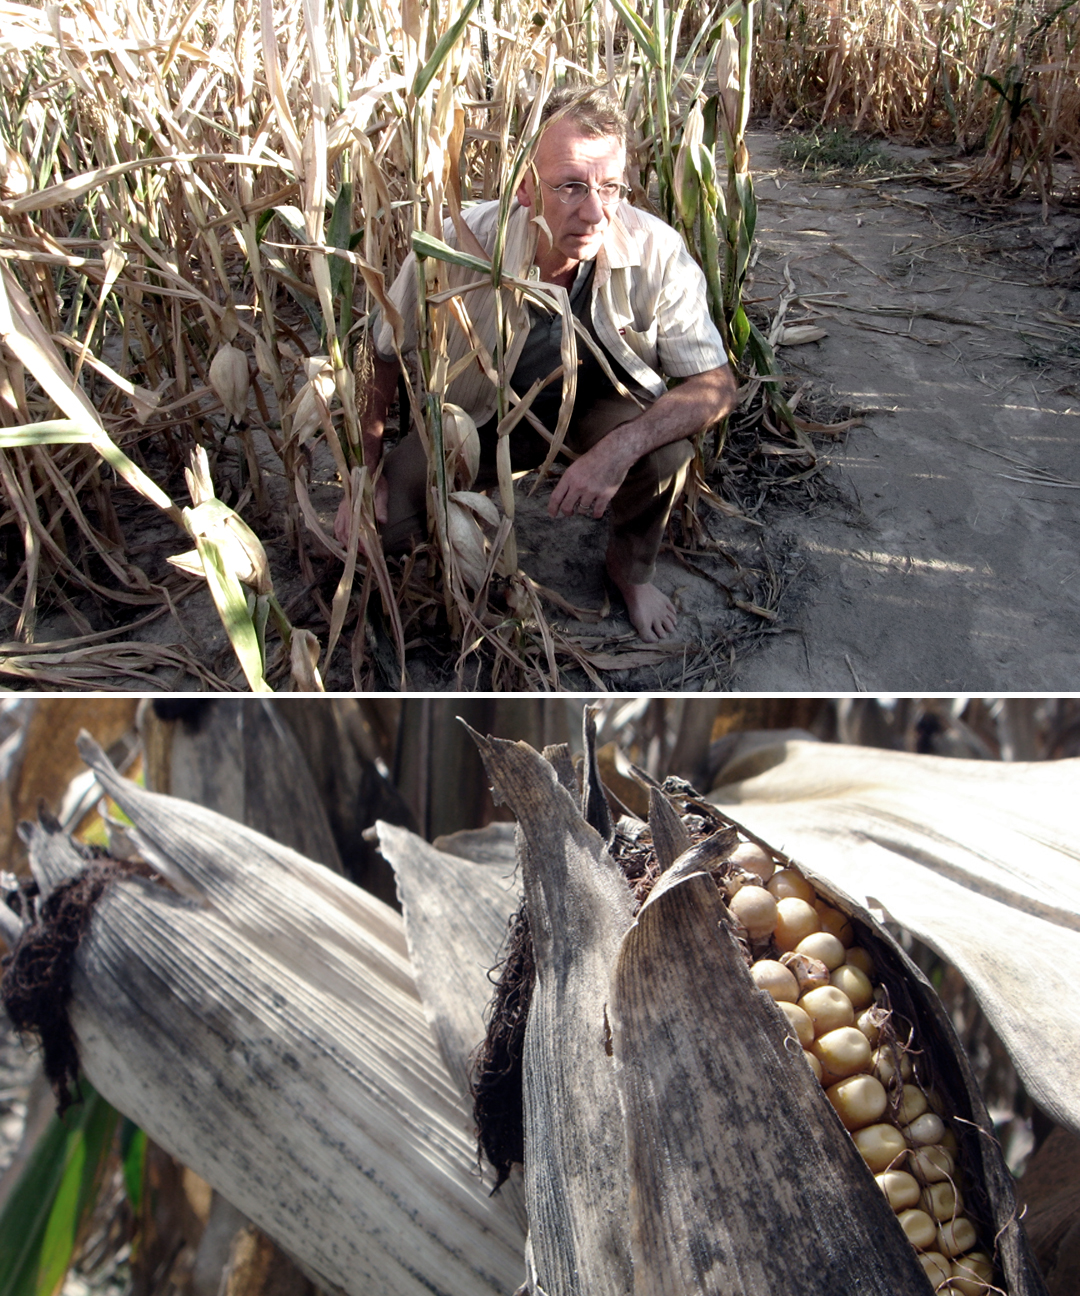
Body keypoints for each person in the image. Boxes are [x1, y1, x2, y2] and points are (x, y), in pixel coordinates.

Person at [351, 85, 736, 642]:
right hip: (475, 415)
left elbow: (717, 383)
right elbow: (381, 353)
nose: (596, 211)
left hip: (594, 408)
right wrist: (365, 474)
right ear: (527, 186)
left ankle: (630, 573)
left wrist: (619, 449)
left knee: (663, 453)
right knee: (375, 542)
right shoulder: (456, 246)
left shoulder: (655, 249)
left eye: (610, 187)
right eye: (572, 186)